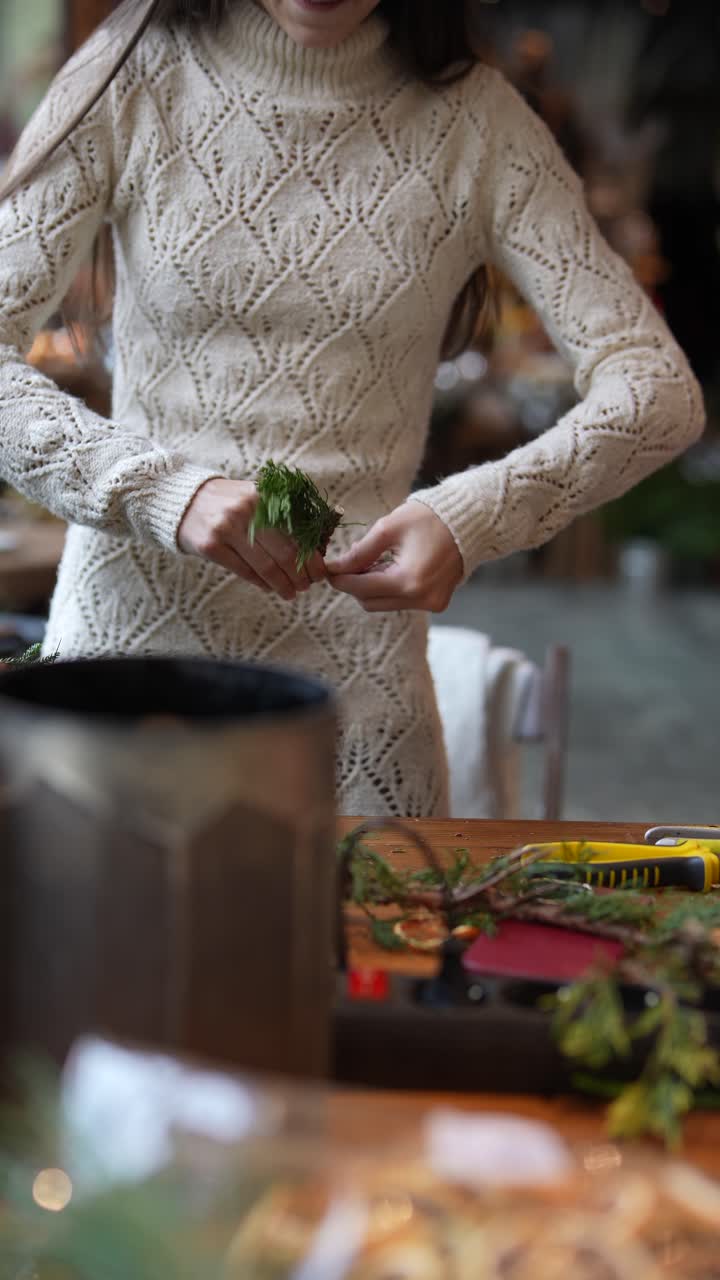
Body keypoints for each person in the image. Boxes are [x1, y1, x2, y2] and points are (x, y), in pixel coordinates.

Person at [0, 0, 704, 816]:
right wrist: (162, 490)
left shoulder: (480, 121)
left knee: (374, 946)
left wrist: (471, 517)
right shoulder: (133, 71)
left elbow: (656, 392)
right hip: (120, 682)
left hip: (357, 713)